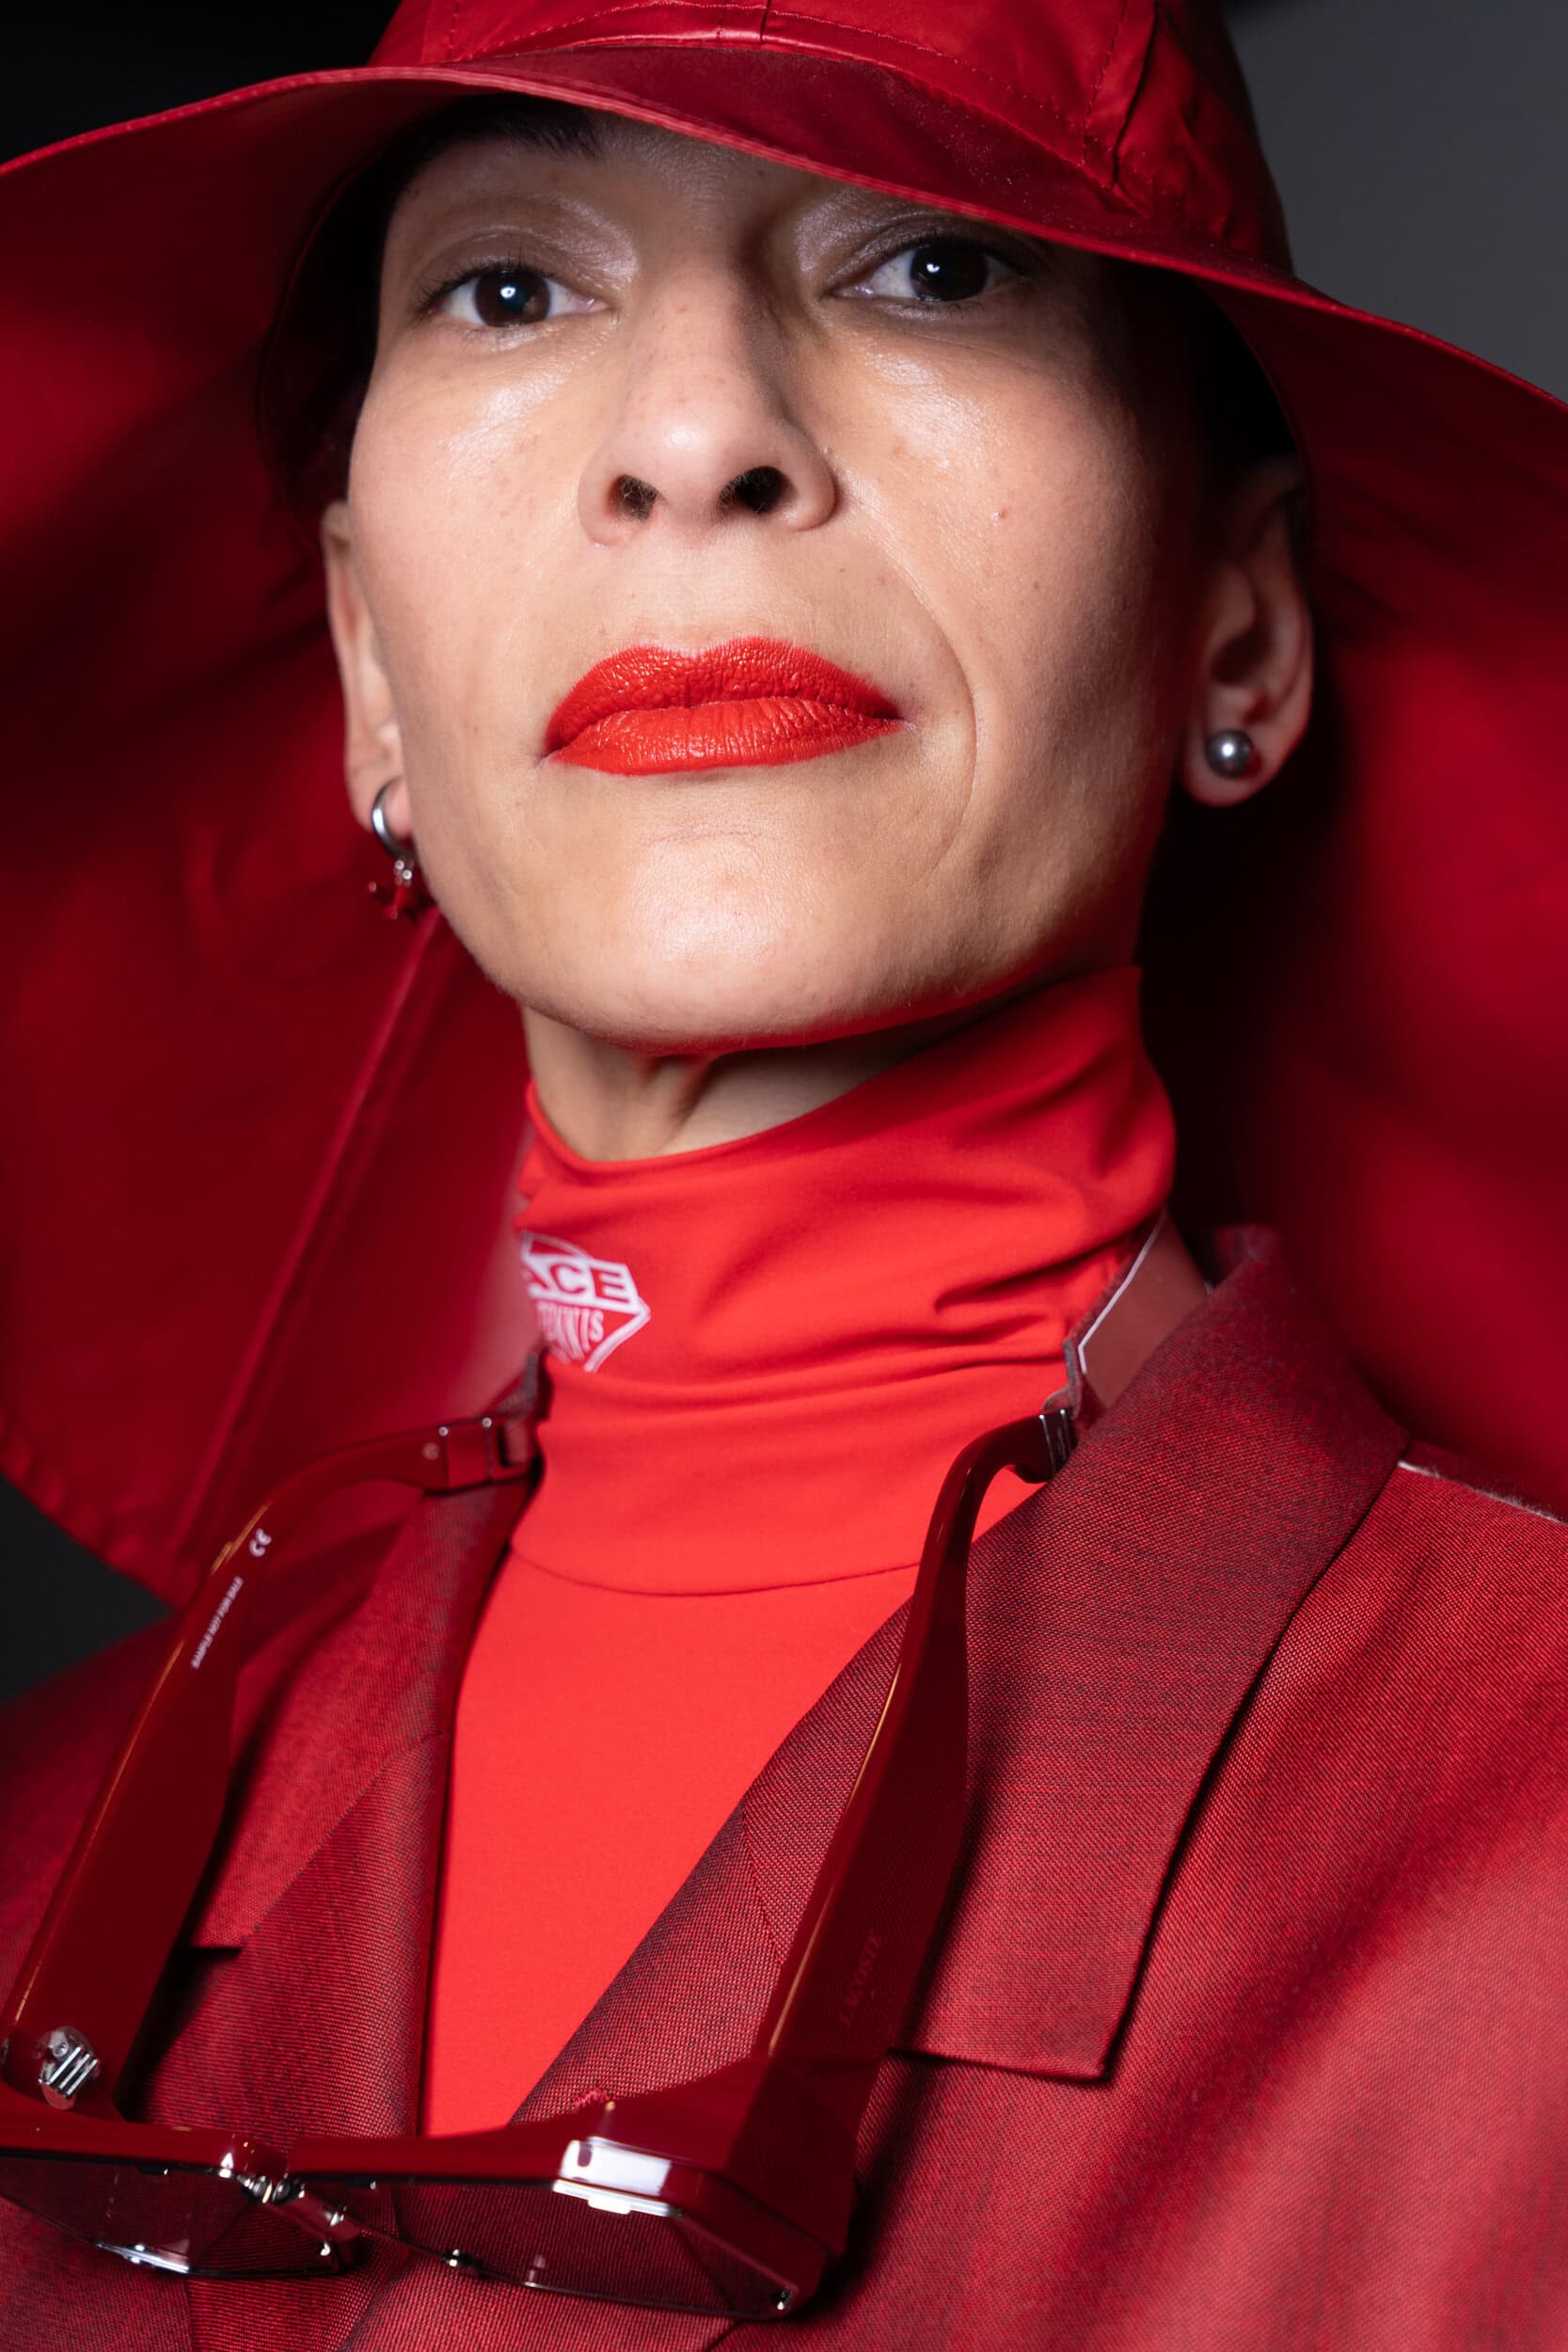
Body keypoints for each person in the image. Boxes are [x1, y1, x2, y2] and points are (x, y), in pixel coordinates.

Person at [1, 1, 1565, 2345]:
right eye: (512, 286)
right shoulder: (34, 1844)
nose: (697, 433)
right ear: (366, 665)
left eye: (931, 264)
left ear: (1235, 620)